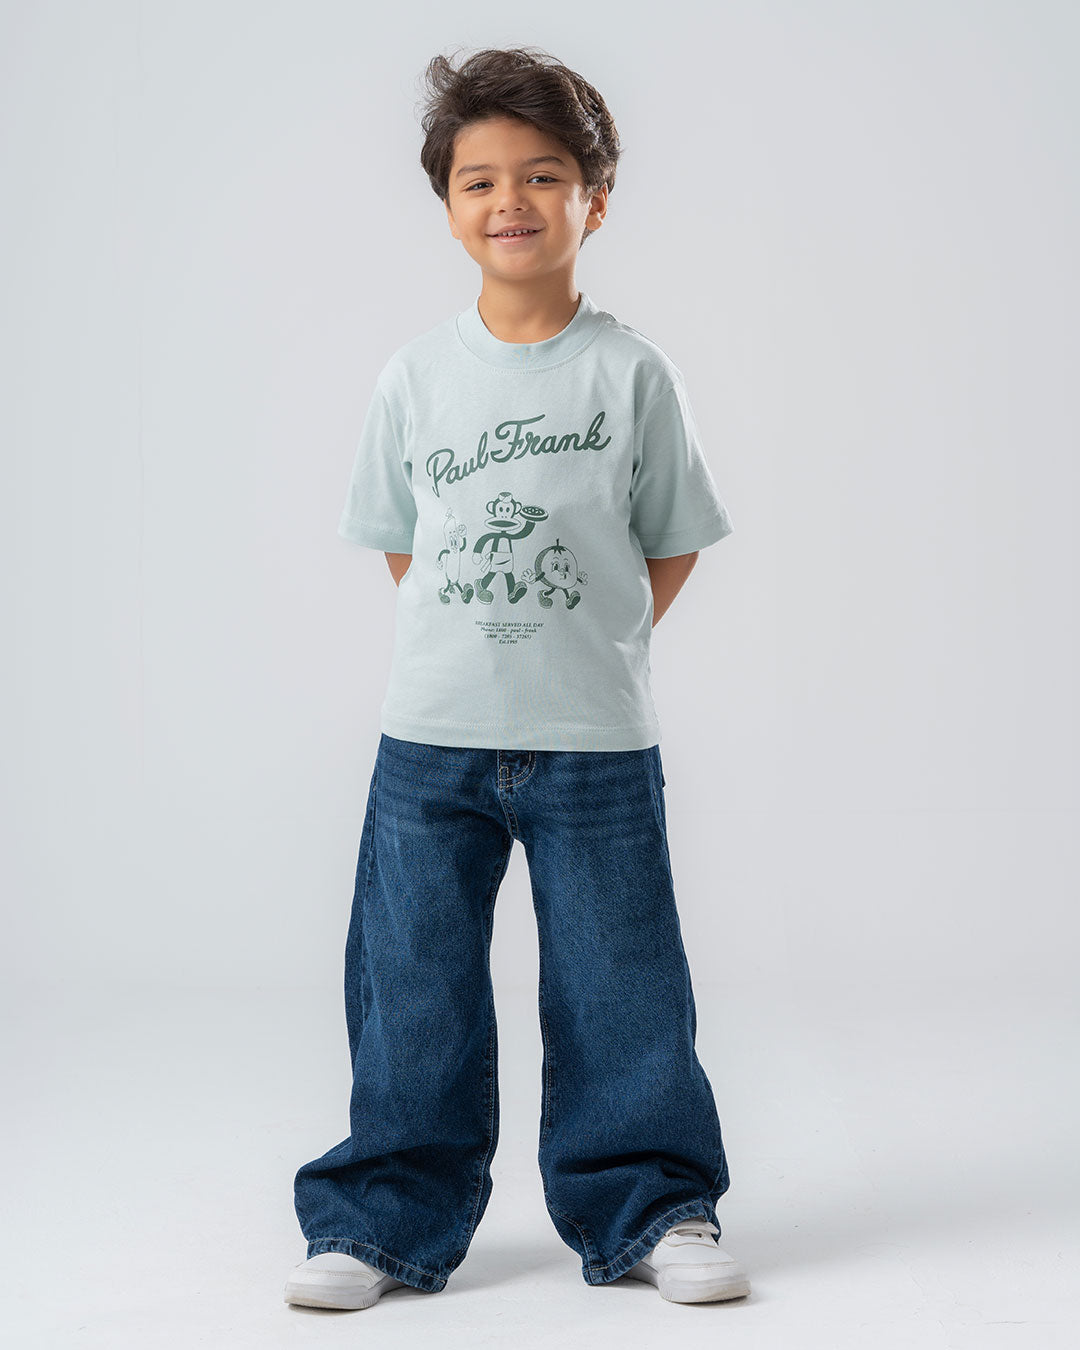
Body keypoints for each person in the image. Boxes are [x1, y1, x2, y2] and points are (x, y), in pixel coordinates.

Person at [284, 45, 751, 1311]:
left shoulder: (633, 374)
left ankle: (651, 1205)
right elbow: (404, 545)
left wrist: (590, 643)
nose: (511, 201)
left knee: (621, 982)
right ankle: (382, 1219)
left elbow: (669, 544)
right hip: (429, 740)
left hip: (596, 743)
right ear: (447, 204)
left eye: (543, 175)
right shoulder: (415, 376)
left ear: (595, 198)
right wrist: (477, 642)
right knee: (413, 989)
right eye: (480, 180)